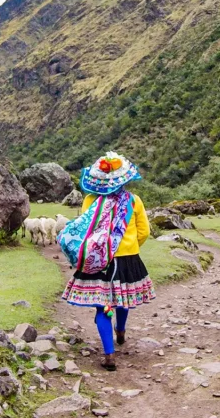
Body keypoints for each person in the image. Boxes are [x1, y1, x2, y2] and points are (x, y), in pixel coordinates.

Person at [61, 151, 155, 371]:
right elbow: (144, 232)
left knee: (102, 308)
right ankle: (120, 331)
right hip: (127, 259)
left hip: (100, 261)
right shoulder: (134, 201)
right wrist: (130, 247)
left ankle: (109, 354)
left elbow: (87, 231)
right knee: (122, 300)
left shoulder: (90, 200)